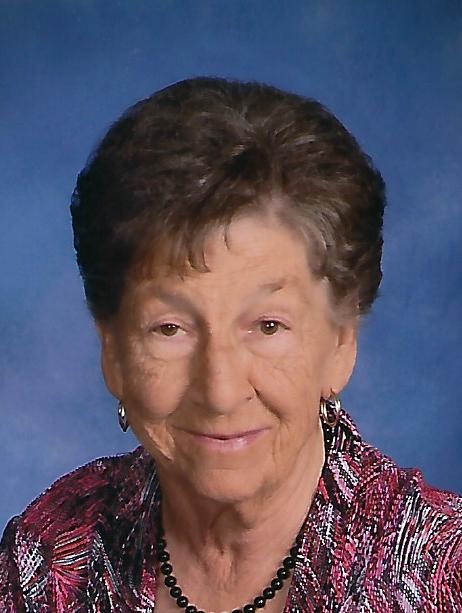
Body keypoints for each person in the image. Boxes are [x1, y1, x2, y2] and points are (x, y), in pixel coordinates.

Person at [0, 77, 460, 612]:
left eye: (267, 326)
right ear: (113, 352)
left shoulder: (442, 576)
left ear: (340, 343)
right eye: (170, 328)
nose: (220, 391)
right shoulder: (49, 557)